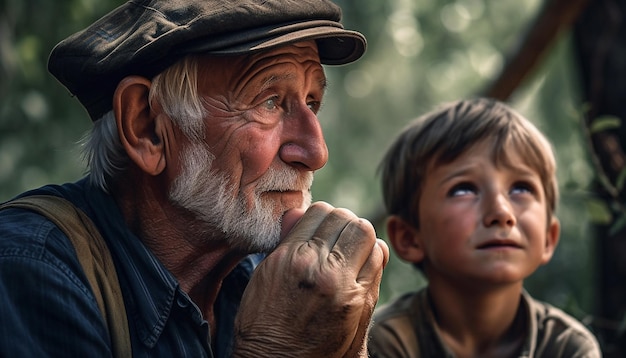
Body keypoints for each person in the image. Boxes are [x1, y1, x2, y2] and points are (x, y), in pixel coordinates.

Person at [0, 0, 390, 357]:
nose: (315, 153)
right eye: (269, 101)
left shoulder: (260, 276)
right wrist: (277, 349)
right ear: (147, 128)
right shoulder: (28, 273)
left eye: (311, 103)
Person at [368, 98, 602, 357]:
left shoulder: (567, 347)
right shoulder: (383, 343)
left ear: (549, 238)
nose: (501, 212)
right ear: (409, 238)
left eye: (521, 188)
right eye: (464, 189)